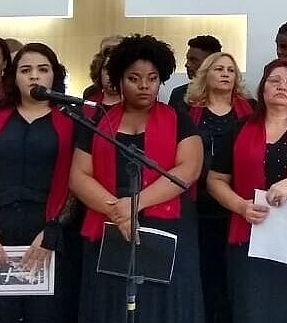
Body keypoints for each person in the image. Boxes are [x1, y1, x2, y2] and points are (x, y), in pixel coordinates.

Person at [70, 35, 205, 323]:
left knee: (162, 306)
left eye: (152, 78)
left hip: (165, 224)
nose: (144, 85)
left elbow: (188, 170)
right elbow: (79, 176)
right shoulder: (97, 121)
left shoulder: (179, 119)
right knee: (112, 304)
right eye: (134, 78)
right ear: (119, 80)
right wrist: (117, 212)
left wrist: (134, 204)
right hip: (109, 222)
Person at [208, 58, 287, 323]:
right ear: (263, 87)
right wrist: (241, 206)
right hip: (248, 237)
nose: (282, 86)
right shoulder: (239, 128)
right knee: (250, 311)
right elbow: (215, 180)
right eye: (275, 80)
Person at [0, 43, 79, 323]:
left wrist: (51, 231)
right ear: (13, 76)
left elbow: (76, 183)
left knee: (47, 315)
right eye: (25, 70)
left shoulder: (71, 121)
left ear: (54, 75)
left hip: (50, 233)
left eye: (43, 69)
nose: (34, 76)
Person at [179, 51, 252, 323]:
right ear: (205, 74)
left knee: (234, 275)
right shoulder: (188, 113)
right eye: (218, 69)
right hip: (198, 205)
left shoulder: (251, 110)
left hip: (237, 206)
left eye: (230, 70)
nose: (225, 74)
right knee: (204, 272)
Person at [169, 35, 223, 108]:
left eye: (193, 60)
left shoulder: (228, 95)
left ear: (211, 63)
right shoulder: (178, 95)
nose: (187, 64)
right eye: (187, 59)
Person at [82, 35, 123, 100]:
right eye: (107, 69)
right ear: (99, 71)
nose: (112, 75)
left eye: (118, 69)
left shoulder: (136, 103)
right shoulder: (89, 100)